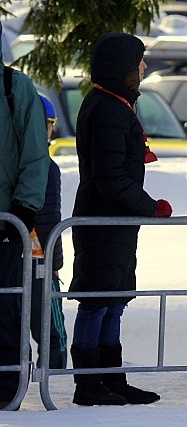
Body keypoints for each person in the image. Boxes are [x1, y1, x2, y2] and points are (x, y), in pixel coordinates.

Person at [68, 32, 173, 407]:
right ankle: (88, 384)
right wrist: (150, 206)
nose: (144, 67)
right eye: (138, 61)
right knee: (97, 300)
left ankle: (112, 378)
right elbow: (109, 177)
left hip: (117, 222)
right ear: (122, 67)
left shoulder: (115, 103)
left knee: (115, 299)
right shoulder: (107, 107)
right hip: (103, 222)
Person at [0, 21, 50, 410]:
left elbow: (35, 155)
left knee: (5, 309)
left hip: (4, 222)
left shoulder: (15, 87)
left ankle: (6, 388)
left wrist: (23, 210)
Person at [29, 95, 68, 370]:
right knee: (51, 330)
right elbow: (50, 218)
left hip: (11, 257)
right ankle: (52, 379)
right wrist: (55, 264)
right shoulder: (46, 166)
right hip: (39, 258)